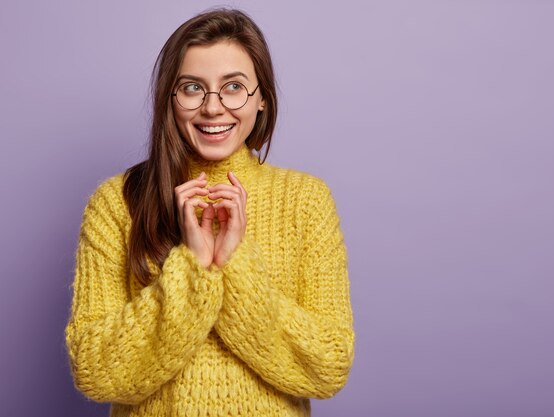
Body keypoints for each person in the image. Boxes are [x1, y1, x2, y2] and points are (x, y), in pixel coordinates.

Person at [64, 8, 354, 417]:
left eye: (233, 87)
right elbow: (94, 370)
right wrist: (193, 267)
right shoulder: (117, 203)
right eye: (192, 88)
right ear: (170, 99)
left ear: (262, 101)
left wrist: (232, 264)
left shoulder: (306, 200)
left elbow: (327, 367)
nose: (213, 108)